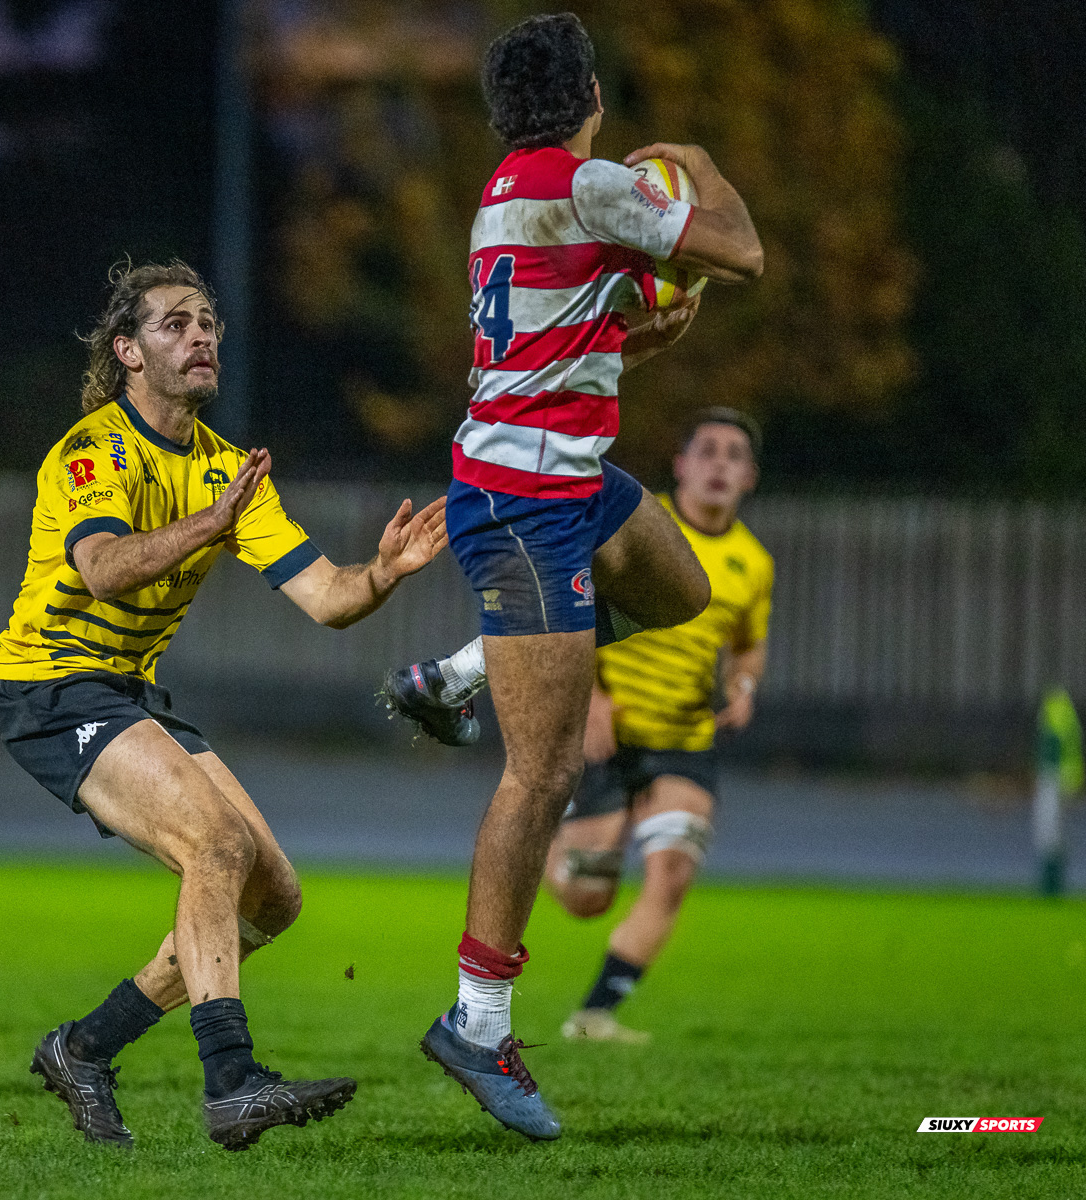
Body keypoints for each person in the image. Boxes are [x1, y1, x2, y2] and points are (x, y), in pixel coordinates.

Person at [376, 13, 763, 1140]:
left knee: (686, 594)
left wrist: (649, 312)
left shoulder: (510, 187)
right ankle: (477, 1022)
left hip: (562, 478)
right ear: (589, 92)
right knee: (539, 779)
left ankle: (454, 675)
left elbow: (578, 333)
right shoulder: (593, 184)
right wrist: (692, 160)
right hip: (529, 505)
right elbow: (742, 248)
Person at [0, 260, 449, 1151]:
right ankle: (232, 1081)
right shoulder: (95, 449)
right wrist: (211, 524)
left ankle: (83, 1048)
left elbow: (326, 597)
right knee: (220, 843)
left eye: (208, 322)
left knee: (272, 899)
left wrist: (382, 576)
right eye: (174, 324)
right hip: (50, 686)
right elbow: (104, 569)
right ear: (127, 351)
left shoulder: (230, 469)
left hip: (126, 692)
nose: (201, 336)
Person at [547, 409, 772, 1044]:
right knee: (586, 896)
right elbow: (573, 599)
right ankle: (538, 832)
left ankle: (594, 1016)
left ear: (749, 477)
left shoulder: (753, 563)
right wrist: (590, 696)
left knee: (672, 870)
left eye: (734, 454)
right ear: (682, 466)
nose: (720, 464)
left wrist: (745, 683)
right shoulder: (643, 527)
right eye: (707, 449)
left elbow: (749, 644)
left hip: (684, 740)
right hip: (608, 732)